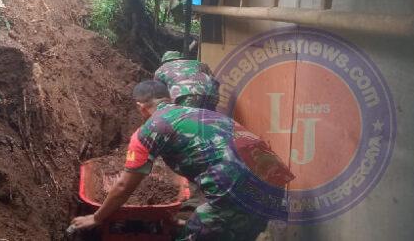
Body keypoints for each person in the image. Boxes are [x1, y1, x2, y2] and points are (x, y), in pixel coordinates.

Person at [71, 80, 294, 241]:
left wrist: (97, 218)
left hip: (236, 190)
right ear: (169, 99)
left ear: (141, 107)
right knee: (241, 230)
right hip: (274, 175)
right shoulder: (196, 112)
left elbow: (122, 186)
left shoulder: (148, 131)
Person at [155, 50, 220, 110]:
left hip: (185, 94)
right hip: (210, 94)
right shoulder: (198, 63)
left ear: (164, 61)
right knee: (209, 118)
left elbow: (157, 92)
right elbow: (215, 81)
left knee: (186, 118)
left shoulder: (160, 70)